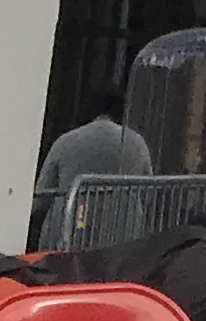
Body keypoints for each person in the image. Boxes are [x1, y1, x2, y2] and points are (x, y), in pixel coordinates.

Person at [33, 86, 152, 235]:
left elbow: (43, 194)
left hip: (72, 226)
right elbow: (147, 194)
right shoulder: (137, 143)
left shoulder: (65, 141)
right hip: (123, 233)